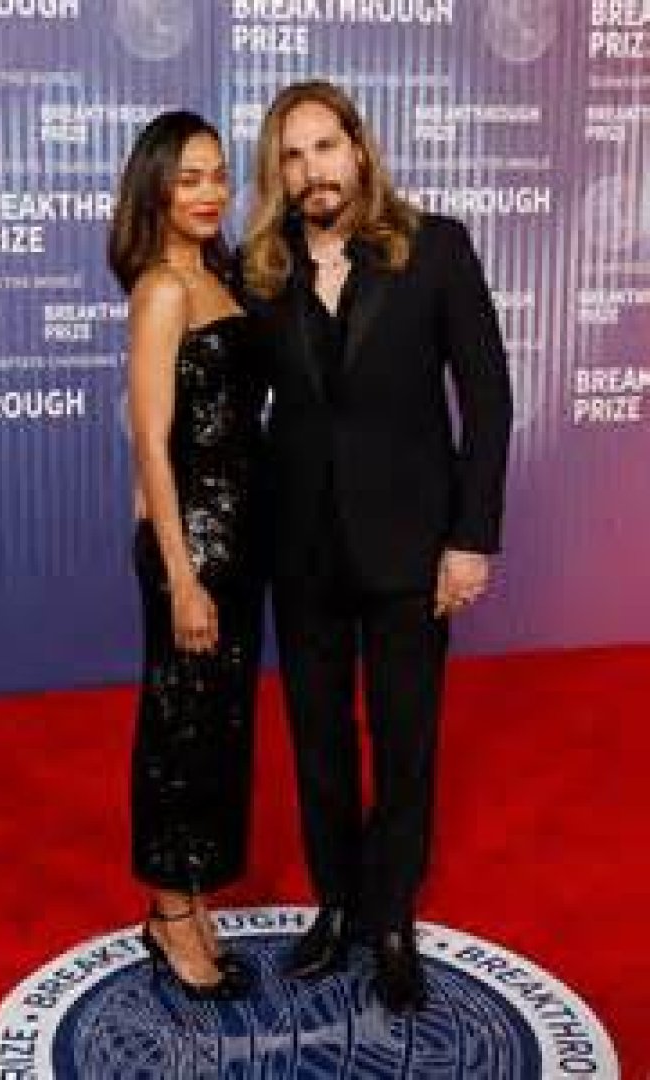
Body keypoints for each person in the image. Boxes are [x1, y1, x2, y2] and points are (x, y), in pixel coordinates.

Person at [243, 81, 513, 1013]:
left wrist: (471, 539)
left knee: (404, 741)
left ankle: (392, 918)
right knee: (317, 739)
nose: (311, 169)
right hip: (301, 552)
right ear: (277, 173)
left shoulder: (435, 247)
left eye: (325, 146)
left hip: (411, 548)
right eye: (291, 155)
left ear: (359, 148)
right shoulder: (261, 269)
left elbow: (487, 399)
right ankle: (336, 904)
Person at [108, 111, 265, 1001]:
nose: (209, 193)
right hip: (194, 548)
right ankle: (169, 914)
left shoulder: (222, 275)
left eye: (218, 175)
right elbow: (151, 445)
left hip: (242, 543)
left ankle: (193, 896)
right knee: (179, 727)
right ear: (156, 187)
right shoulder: (162, 289)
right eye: (189, 178)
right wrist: (180, 576)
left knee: (218, 730)